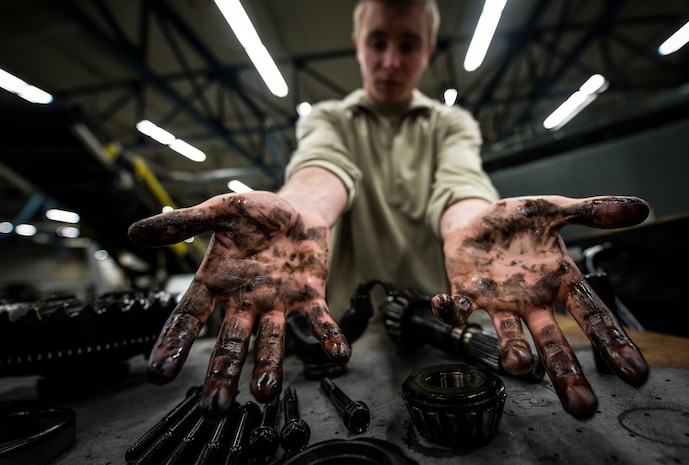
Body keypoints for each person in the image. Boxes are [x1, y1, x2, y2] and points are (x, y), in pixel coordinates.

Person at [128, 0, 650, 423]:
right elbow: (322, 171)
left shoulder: (452, 124)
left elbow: (460, 186)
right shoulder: (329, 119)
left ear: (427, 51)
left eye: (408, 45)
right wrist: (299, 211)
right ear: (358, 45)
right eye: (378, 42)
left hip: (443, 328)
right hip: (344, 338)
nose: (391, 61)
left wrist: (473, 225)